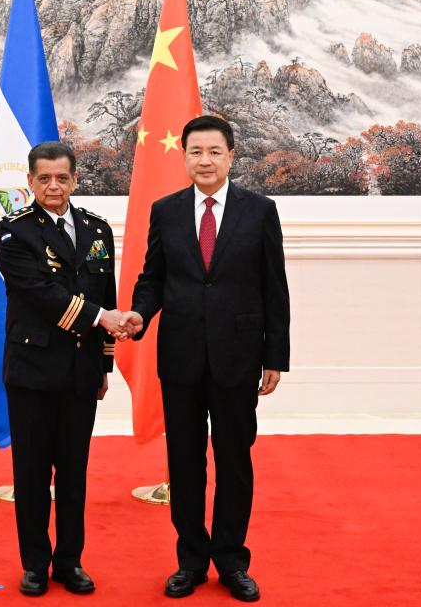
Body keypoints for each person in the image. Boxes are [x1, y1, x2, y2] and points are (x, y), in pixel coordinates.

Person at [121, 115, 290, 602]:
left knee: (234, 461)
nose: (205, 160)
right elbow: (153, 278)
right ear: (184, 156)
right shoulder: (166, 211)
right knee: (185, 462)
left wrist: (275, 355)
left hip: (239, 356)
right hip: (182, 357)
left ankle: (232, 561)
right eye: (196, 151)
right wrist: (139, 313)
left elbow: (274, 288)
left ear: (231, 155)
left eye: (215, 151)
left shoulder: (260, 211)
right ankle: (191, 562)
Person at [0, 141, 128, 596]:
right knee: (32, 474)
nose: (54, 186)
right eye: (44, 178)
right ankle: (35, 564)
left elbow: (107, 293)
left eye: (62, 178)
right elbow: (39, 293)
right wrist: (101, 317)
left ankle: (70, 561)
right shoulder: (15, 231)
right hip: (32, 371)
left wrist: (104, 364)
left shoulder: (97, 228)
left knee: (74, 473)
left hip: (79, 371)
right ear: (30, 182)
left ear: (75, 179)